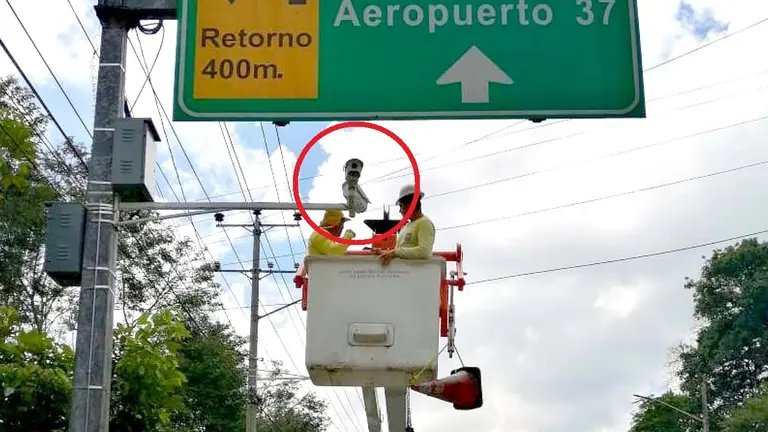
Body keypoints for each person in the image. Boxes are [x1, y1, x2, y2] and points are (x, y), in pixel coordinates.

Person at [374, 184, 435, 265]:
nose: (400, 211)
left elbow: (424, 251)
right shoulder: (405, 227)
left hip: (414, 274)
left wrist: (394, 252)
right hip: (404, 274)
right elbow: (400, 252)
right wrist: (385, 252)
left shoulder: (424, 224)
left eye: (401, 206)